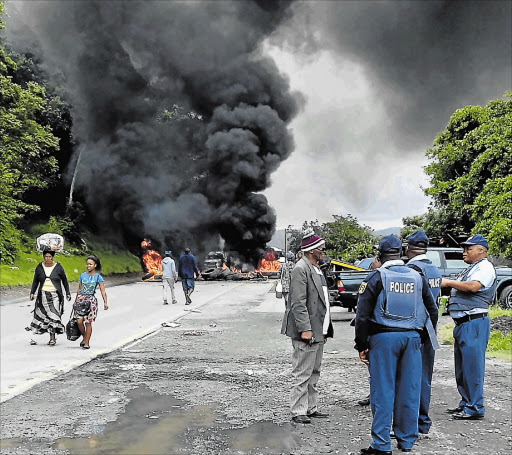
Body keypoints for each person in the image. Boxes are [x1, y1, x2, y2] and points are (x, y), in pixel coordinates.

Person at [355, 235, 438, 454]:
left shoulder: (376, 277)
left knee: (383, 391)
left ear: (379, 256)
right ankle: (407, 441)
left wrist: (361, 345)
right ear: (401, 253)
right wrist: (422, 338)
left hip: (383, 339)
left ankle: (381, 445)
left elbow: (362, 316)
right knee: (409, 390)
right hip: (412, 339)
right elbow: (433, 310)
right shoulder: (417, 276)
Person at [441, 234, 496, 420]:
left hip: (474, 322)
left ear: (481, 250)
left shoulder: (485, 267)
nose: (464, 251)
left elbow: (473, 286)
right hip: (463, 324)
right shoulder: (472, 267)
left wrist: (448, 283)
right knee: (462, 368)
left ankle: (475, 407)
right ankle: (466, 403)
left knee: (473, 367)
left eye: (468, 248)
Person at [281, 232, 333, 424]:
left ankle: (311, 407)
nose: (323, 252)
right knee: (303, 371)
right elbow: (298, 303)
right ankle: (298, 410)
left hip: (319, 329)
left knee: (314, 371)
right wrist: (305, 329)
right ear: (312, 250)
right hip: (308, 330)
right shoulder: (300, 268)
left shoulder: (315, 268)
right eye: (321, 249)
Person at [405, 230, 442, 435]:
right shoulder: (434, 268)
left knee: (409, 377)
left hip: (416, 330)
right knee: (424, 377)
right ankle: (422, 420)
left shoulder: (412, 269)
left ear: (408, 249)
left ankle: (412, 422)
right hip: (430, 330)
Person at [28, 250, 71, 346]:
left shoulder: (58, 267)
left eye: (49, 257)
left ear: (52, 257)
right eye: (46, 257)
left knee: (54, 316)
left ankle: (52, 338)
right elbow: (35, 281)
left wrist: (67, 293)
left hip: (55, 295)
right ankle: (49, 336)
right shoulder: (39, 267)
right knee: (46, 317)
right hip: (43, 295)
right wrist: (32, 292)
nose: (48, 258)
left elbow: (64, 280)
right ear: (43, 257)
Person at [74, 255, 108, 349]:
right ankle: (85, 337)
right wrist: (76, 300)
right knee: (79, 321)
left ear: (95, 265)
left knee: (88, 322)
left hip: (91, 301)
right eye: (87, 264)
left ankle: (86, 342)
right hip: (81, 299)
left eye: (90, 264)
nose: (88, 266)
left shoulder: (98, 277)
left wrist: (105, 302)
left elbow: (102, 290)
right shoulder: (82, 275)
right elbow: (79, 288)